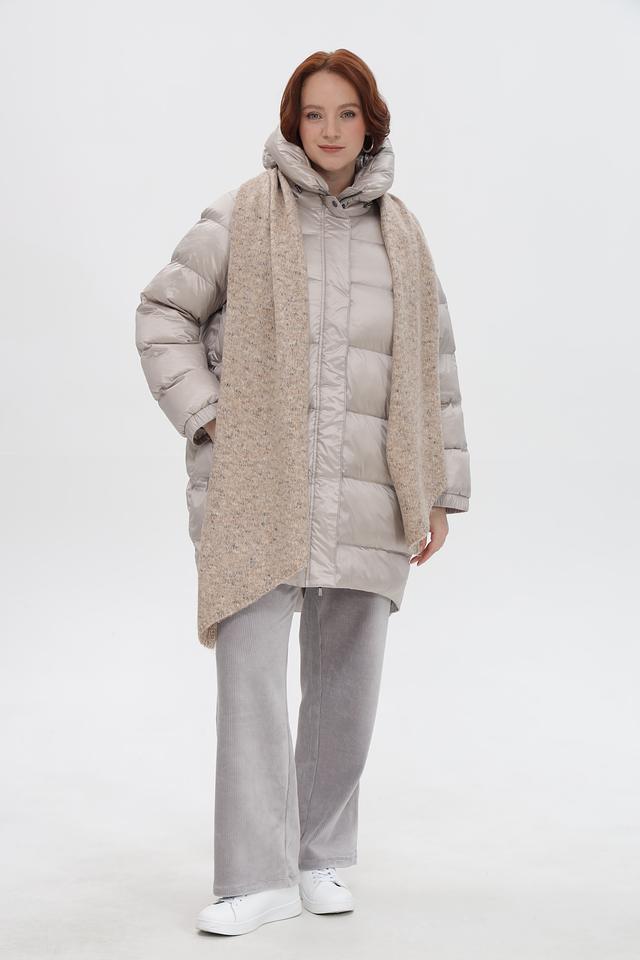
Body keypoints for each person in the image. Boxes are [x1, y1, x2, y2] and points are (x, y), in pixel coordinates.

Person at [134, 48, 471, 938]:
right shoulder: (241, 214)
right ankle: (255, 877)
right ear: (293, 122)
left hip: (368, 486)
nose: (329, 130)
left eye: (346, 114)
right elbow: (163, 314)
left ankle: (321, 857)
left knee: (347, 681)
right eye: (314, 114)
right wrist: (214, 418)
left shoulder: (403, 234)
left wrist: (437, 490)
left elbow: (433, 368)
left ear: (371, 123)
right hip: (259, 487)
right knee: (250, 679)